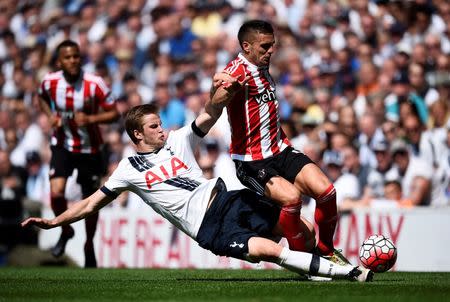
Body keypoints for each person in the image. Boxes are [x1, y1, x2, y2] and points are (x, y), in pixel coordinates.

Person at [21, 99, 373, 282]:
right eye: (154, 126)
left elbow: (208, 114)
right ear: (137, 136)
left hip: (230, 198)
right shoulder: (128, 169)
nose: (162, 129)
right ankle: (348, 273)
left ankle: (321, 266)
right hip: (210, 227)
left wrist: (224, 92)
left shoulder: (178, 139)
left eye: (160, 124)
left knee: (305, 229)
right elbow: (92, 203)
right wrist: (55, 222)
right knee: (269, 251)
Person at [212, 20, 350, 265]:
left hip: (280, 149)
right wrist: (224, 89)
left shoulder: (262, 65)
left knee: (327, 192)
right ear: (247, 47)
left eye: (272, 45)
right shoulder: (237, 72)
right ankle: (306, 262)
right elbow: (213, 103)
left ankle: (327, 251)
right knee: (292, 200)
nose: (271, 51)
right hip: (252, 160)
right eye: (265, 46)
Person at [38, 40, 119, 267]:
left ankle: (89, 243)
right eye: (68, 57)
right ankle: (66, 230)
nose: (73, 60)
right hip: (62, 145)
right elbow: (41, 97)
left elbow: (114, 113)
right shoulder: (50, 81)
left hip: (90, 149)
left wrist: (91, 119)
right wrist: (50, 115)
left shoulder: (95, 84)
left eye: (76, 56)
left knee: (91, 200)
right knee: (56, 192)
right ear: (59, 61)